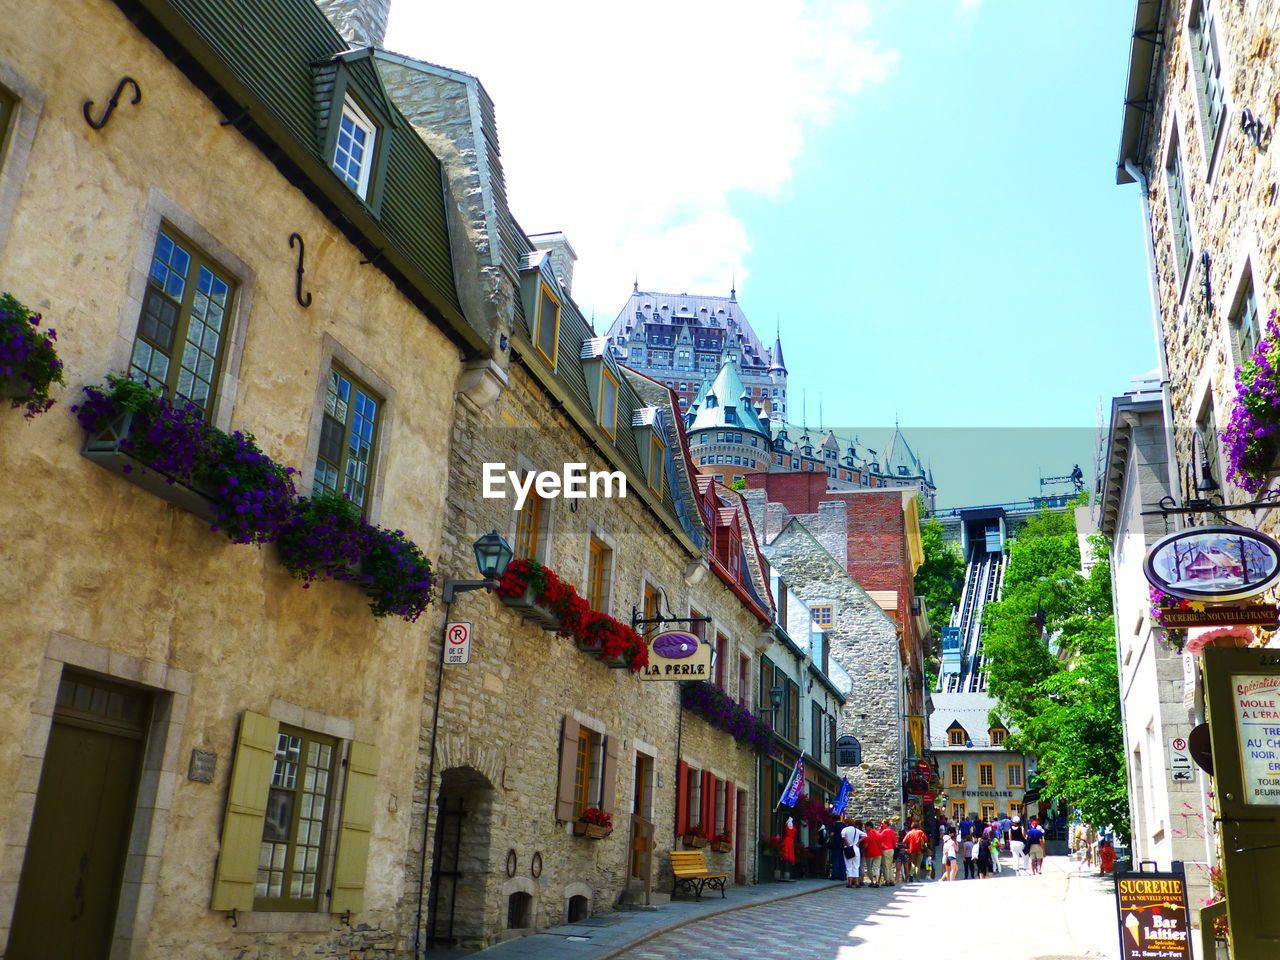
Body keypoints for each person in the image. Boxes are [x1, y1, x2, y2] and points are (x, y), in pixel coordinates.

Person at [840, 817, 865, 888]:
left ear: (847, 823)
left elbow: (842, 835)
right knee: (856, 866)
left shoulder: (845, 829)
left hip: (848, 848)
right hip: (856, 848)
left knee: (849, 866)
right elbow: (865, 835)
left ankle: (850, 882)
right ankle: (857, 882)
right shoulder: (856, 830)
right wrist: (858, 842)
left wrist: (847, 842)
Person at [862, 817, 885, 887]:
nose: (865, 828)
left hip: (869, 853)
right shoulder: (878, 833)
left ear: (869, 827)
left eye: (865, 827)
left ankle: (872, 881)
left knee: (869, 868)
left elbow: (866, 845)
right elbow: (881, 844)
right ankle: (877, 881)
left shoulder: (867, 834)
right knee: (877, 867)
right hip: (878, 853)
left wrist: (863, 850)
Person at [878, 819, 898, 887]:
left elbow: (879, 838)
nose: (881, 825)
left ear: (886, 824)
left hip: (885, 849)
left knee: (885, 866)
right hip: (891, 849)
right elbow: (895, 840)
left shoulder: (884, 831)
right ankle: (891, 880)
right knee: (890, 866)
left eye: (882, 823)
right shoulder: (891, 831)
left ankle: (887, 881)